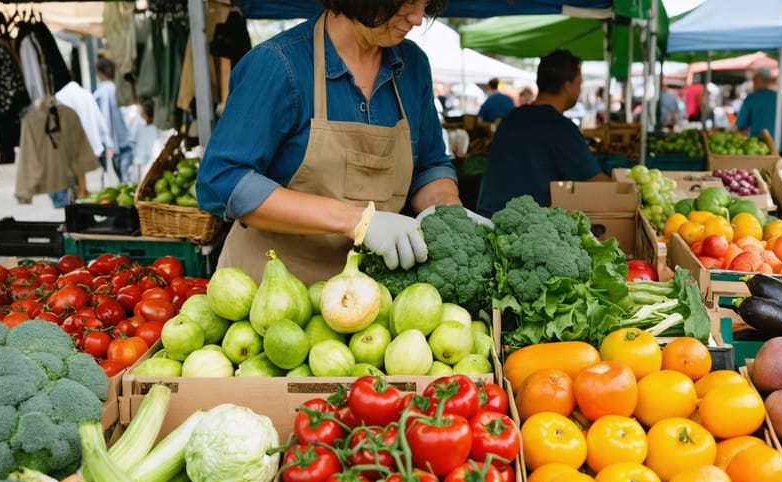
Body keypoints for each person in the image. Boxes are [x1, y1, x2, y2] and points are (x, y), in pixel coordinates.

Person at [196, 0, 468, 285]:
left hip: (369, 297)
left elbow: (429, 165)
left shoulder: (413, 66)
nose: (417, 19)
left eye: (426, 4)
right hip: (269, 291)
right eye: (409, 2)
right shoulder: (278, 64)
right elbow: (222, 181)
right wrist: (357, 221)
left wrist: (448, 210)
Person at [475, 49, 609, 218]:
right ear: (567, 86)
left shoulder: (511, 118)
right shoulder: (561, 128)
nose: (580, 89)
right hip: (526, 229)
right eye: (579, 83)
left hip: (487, 219)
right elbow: (596, 182)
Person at [52, 80, 109, 208]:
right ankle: (80, 192)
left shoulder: (60, 96)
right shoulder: (86, 95)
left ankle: (77, 194)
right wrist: (102, 139)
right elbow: (97, 117)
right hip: (86, 135)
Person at [735, 67, 782, 155]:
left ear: (758, 80)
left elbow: (741, 125)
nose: (753, 84)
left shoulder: (751, 99)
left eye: (754, 81)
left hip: (759, 149)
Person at [93, 57, 134, 184]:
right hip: (127, 140)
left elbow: (103, 119)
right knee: (126, 180)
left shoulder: (100, 93)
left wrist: (107, 143)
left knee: (123, 181)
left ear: (99, 73)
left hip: (114, 144)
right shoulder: (119, 89)